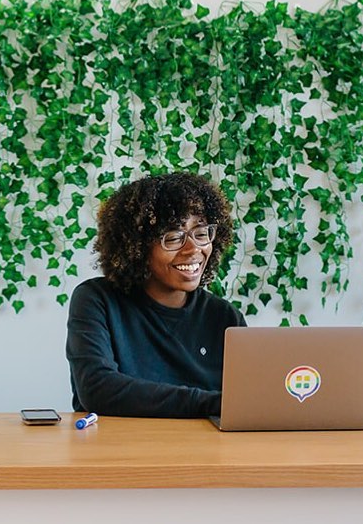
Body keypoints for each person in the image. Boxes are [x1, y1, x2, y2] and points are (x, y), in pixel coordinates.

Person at [66, 171, 246, 418]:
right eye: (173, 237)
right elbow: (97, 389)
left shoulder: (224, 317)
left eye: (202, 233)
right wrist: (209, 403)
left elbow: (249, 400)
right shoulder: (97, 300)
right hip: (119, 450)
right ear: (137, 247)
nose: (193, 248)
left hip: (208, 452)